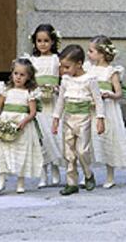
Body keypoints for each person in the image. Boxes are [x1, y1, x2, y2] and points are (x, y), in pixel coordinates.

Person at [52, 44, 105, 196]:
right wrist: (56, 119)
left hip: (83, 119)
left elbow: (98, 100)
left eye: (67, 67)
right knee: (68, 152)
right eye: (62, 67)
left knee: (82, 150)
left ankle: (88, 174)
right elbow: (61, 100)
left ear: (79, 64)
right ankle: (71, 182)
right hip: (68, 118)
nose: (64, 70)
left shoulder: (89, 80)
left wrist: (100, 119)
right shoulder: (66, 80)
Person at [0, 58, 43, 194]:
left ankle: (20, 182)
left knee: (20, 151)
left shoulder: (29, 93)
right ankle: (1, 180)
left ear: (29, 77)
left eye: (22, 75)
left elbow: (33, 112)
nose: (18, 77)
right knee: (3, 151)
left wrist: (23, 122)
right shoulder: (6, 90)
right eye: (16, 73)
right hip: (6, 121)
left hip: (21, 124)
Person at [85, 36, 126, 188]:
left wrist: (110, 95)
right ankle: (87, 174)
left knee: (108, 139)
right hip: (92, 109)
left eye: (91, 51)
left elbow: (119, 93)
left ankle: (110, 175)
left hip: (108, 109)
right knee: (88, 140)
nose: (88, 54)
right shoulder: (89, 69)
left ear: (101, 54)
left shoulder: (111, 71)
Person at [26, 24, 64, 188]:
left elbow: (64, 79)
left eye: (46, 41)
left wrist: (57, 88)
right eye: (39, 41)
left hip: (54, 102)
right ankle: (43, 173)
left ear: (53, 42)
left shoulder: (57, 60)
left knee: (54, 136)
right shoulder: (32, 61)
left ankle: (56, 169)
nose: (42, 44)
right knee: (40, 139)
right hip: (39, 104)